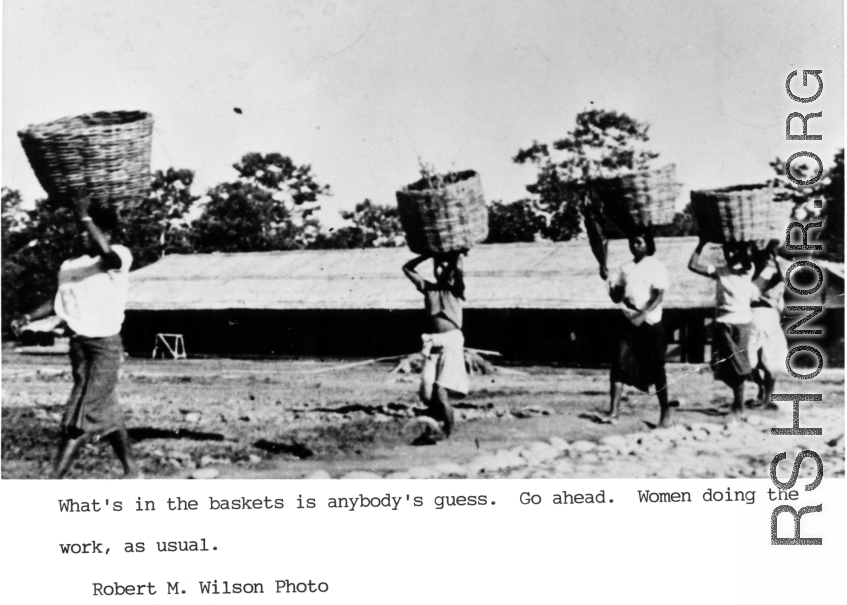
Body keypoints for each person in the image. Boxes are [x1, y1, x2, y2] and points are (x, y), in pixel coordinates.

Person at [11, 194, 140, 479]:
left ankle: (54, 479)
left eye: (88, 230)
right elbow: (58, 299)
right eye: (79, 230)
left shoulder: (118, 256)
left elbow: (108, 255)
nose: (82, 235)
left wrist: (85, 216)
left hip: (105, 344)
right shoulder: (70, 265)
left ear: (105, 233)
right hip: (79, 346)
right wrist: (28, 317)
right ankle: (132, 471)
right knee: (103, 405)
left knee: (80, 413)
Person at [601, 229, 672, 427]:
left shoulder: (656, 266)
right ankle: (614, 411)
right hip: (629, 320)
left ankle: (665, 413)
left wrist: (643, 314)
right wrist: (608, 279)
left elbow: (658, 295)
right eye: (632, 242)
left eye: (639, 242)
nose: (635, 246)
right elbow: (617, 296)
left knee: (657, 368)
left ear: (648, 244)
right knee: (618, 362)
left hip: (651, 322)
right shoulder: (625, 268)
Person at [688, 237, 758, 420]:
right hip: (722, 322)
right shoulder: (719, 271)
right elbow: (693, 265)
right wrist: (702, 244)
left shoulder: (747, 269)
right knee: (718, 364)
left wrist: (744, 245)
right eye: (727, 251)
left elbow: (747, 258)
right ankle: (737, 401)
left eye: (734, 251)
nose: (730, 254)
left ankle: (739, 405)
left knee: (739, 366)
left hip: (741, 322)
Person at [402, 251, 468, 437]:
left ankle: (448, 431)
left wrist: (455, 255)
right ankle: (436, 422)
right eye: (438, 267)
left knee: (441, 390)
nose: (442, 270)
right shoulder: (428, 288)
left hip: (450, 342)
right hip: (433, 342)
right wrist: (427, 255)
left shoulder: (457, 291)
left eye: (446, 268)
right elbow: (407, 268)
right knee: (426, 391)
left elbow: (459, 268)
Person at [748, 240, 789, 409]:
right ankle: (763, 392)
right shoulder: (759, 273)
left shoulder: (774, 272)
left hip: (767, 316)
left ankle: (767, 397)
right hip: (756, 315)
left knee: (767, 360)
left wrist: (774, 256)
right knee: (753, 361)